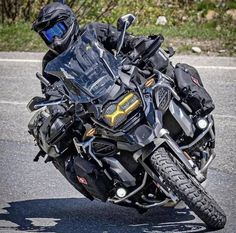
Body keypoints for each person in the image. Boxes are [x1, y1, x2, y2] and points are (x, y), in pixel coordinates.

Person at [32, 1, 142, 90]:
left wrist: (135, 43)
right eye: (49, 35)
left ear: (69, 22)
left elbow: (121, 39)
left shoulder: (93, 31)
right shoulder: (50, 61)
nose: (55, 39)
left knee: (152, 71)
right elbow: (50, 93)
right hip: (93, 109)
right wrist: (55, 99)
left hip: (124, 83)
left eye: (57, 30)